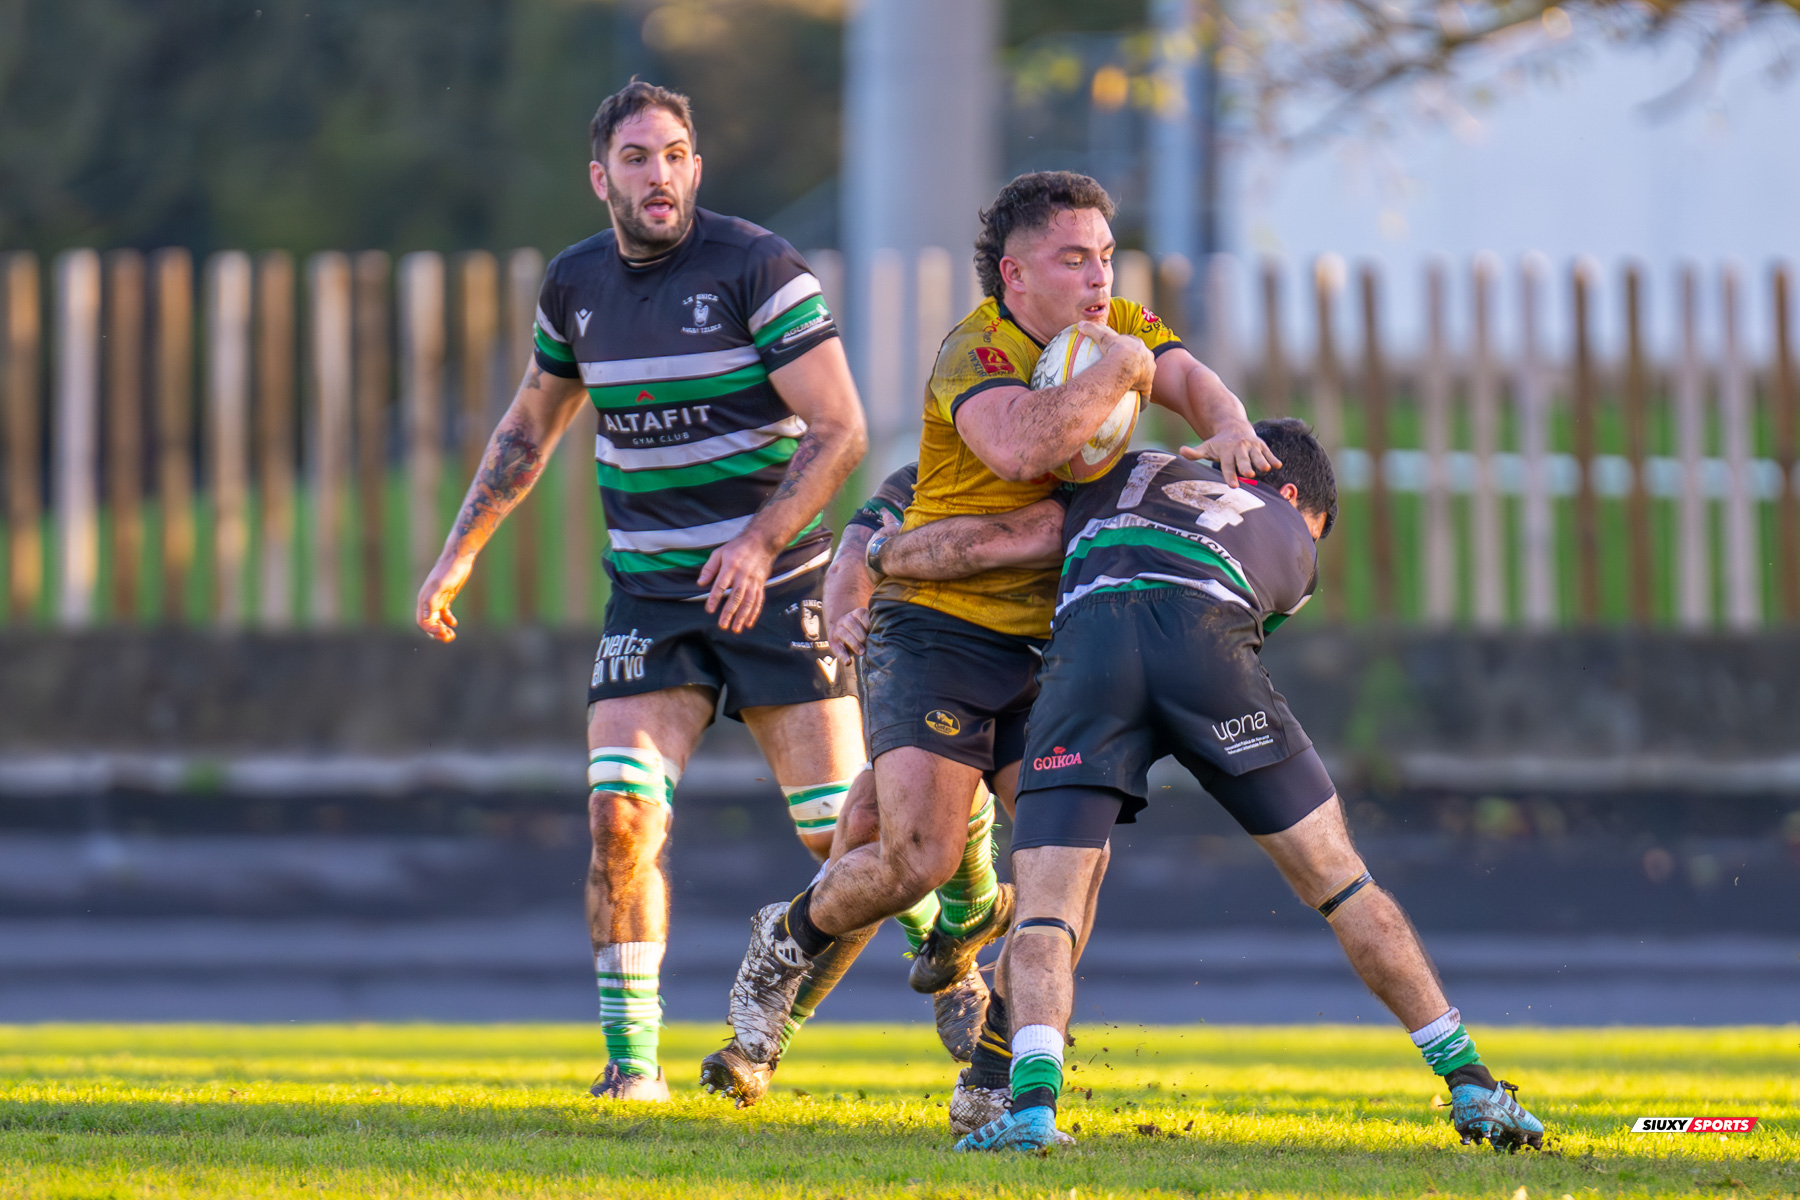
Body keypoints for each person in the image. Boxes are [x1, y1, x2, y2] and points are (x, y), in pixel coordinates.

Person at [723, 171, 1277, 1081]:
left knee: (1069, 860)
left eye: (1105, 257)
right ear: (1014, 275)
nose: (1099, 278)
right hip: (937, 632)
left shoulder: (1116, 328)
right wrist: (1121, 370)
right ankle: (783, 941)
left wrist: (1226, 423)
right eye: (1073, 260)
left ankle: (993, 1074)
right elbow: (1023, 449)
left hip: (1050, 645)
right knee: (916, 858)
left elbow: (1186, 375)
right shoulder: (975, 351)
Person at [877, 419, 1547, 1154]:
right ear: (1290, 496)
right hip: (1206, 648)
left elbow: (1003, 532)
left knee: (1046, 911)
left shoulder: (1117, 466)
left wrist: (878, 550)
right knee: (1342, 882)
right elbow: (1238, 632)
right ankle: (1471, 1083)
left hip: (1089, 655)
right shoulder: (1290, 539)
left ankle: (1032, 1107)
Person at [415, 80, 867, 1101]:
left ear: (695, 168)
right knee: (619, 818)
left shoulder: (759, 267)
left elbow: (842, 429)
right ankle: (633, 1070)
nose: (658, 175)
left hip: (777, 583)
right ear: (600, 177)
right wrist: (459, 552)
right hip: (652, 600)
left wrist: (755, 545)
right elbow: (528, 428)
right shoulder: (575, 284)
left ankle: (958, 934)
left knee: (842, 836)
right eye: (635, 158)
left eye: (673, 156)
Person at [698, 464, 993, 1106]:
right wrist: (845, 610)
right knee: (864, 826)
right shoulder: (929, 473)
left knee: (1051, 863)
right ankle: (763, 1044)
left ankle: (994, 1040)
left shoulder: (1069, 475)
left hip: (1043, 668)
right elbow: (855, 552)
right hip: (943, 664)